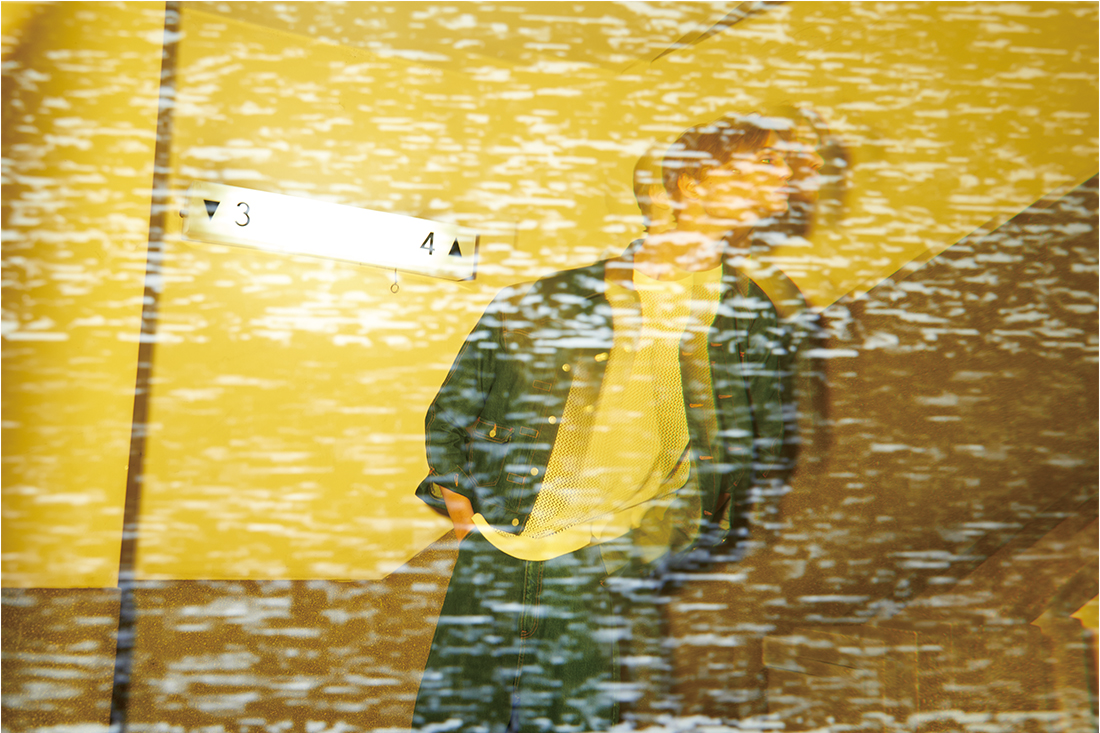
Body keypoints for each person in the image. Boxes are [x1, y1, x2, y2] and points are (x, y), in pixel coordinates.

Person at [411, 114, 806, 732]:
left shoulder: (750, 315)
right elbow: (456, 407)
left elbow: (762, 444)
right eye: (764, 162)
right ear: (694, 181)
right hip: (503, 533)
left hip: (613, 553)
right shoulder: (549, 298)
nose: (786, 180)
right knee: (460, 715)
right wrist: (460, 501)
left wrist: (675, 527)